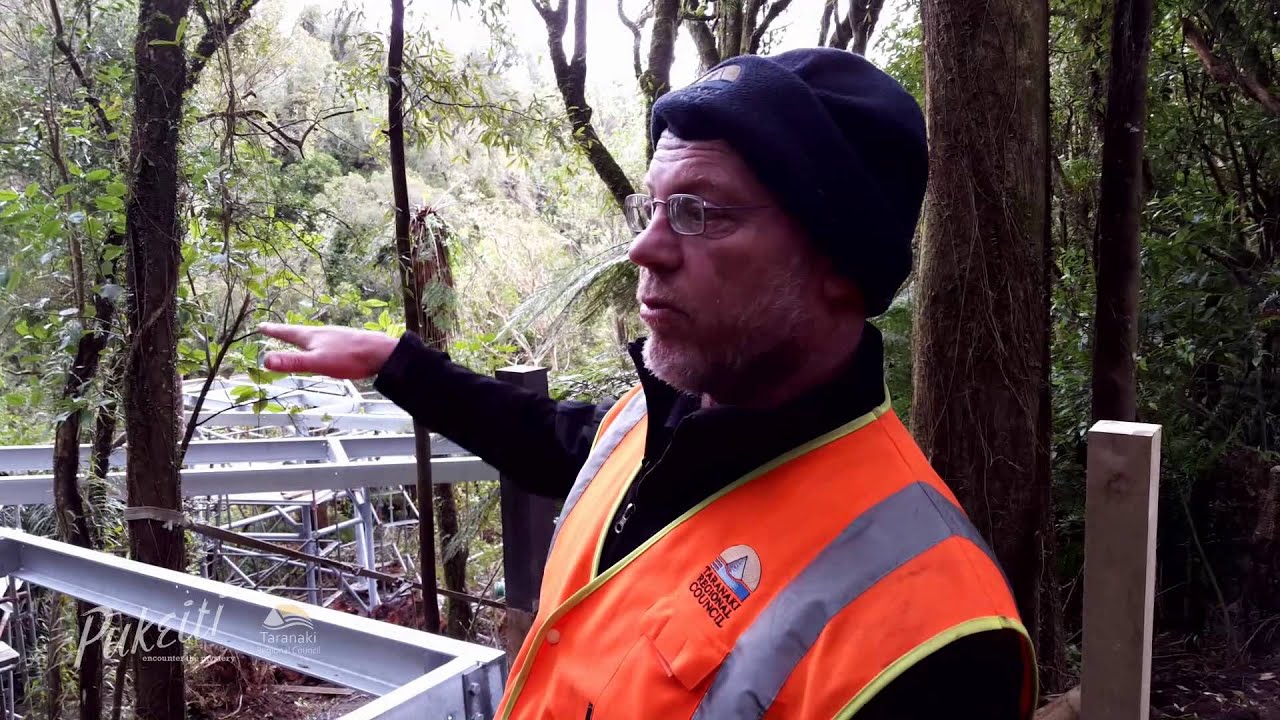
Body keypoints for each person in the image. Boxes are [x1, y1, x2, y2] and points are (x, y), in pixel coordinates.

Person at [260, 48, 1037, 720]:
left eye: (699, 213)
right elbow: (542, 438)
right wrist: (393, 361)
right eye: (652, 207)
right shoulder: (654, 425)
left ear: (840, 265)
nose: (644, 249)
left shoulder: (934, 630)